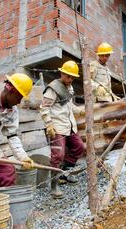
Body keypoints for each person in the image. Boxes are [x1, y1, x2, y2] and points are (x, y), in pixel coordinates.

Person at [39, 60, 85, 199]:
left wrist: (81, 110)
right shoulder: (53, 89)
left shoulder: (69, 88)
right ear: (62, 73)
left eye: (72, 77)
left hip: (69, 124)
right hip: (57, 126)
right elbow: (44, 108)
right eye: (68, 76)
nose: (70, 79)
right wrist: (49, 125)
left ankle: (64, 174)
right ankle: (54, 185)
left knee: (79, 147)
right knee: (58, 155)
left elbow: (69, 106)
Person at [0, 73, 35, 188]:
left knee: (8, 171)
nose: (19, 102)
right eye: (19, 97)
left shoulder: (13, 111)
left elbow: (12, 135)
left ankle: (7, 202)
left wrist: (23, 157)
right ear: (11, 90)